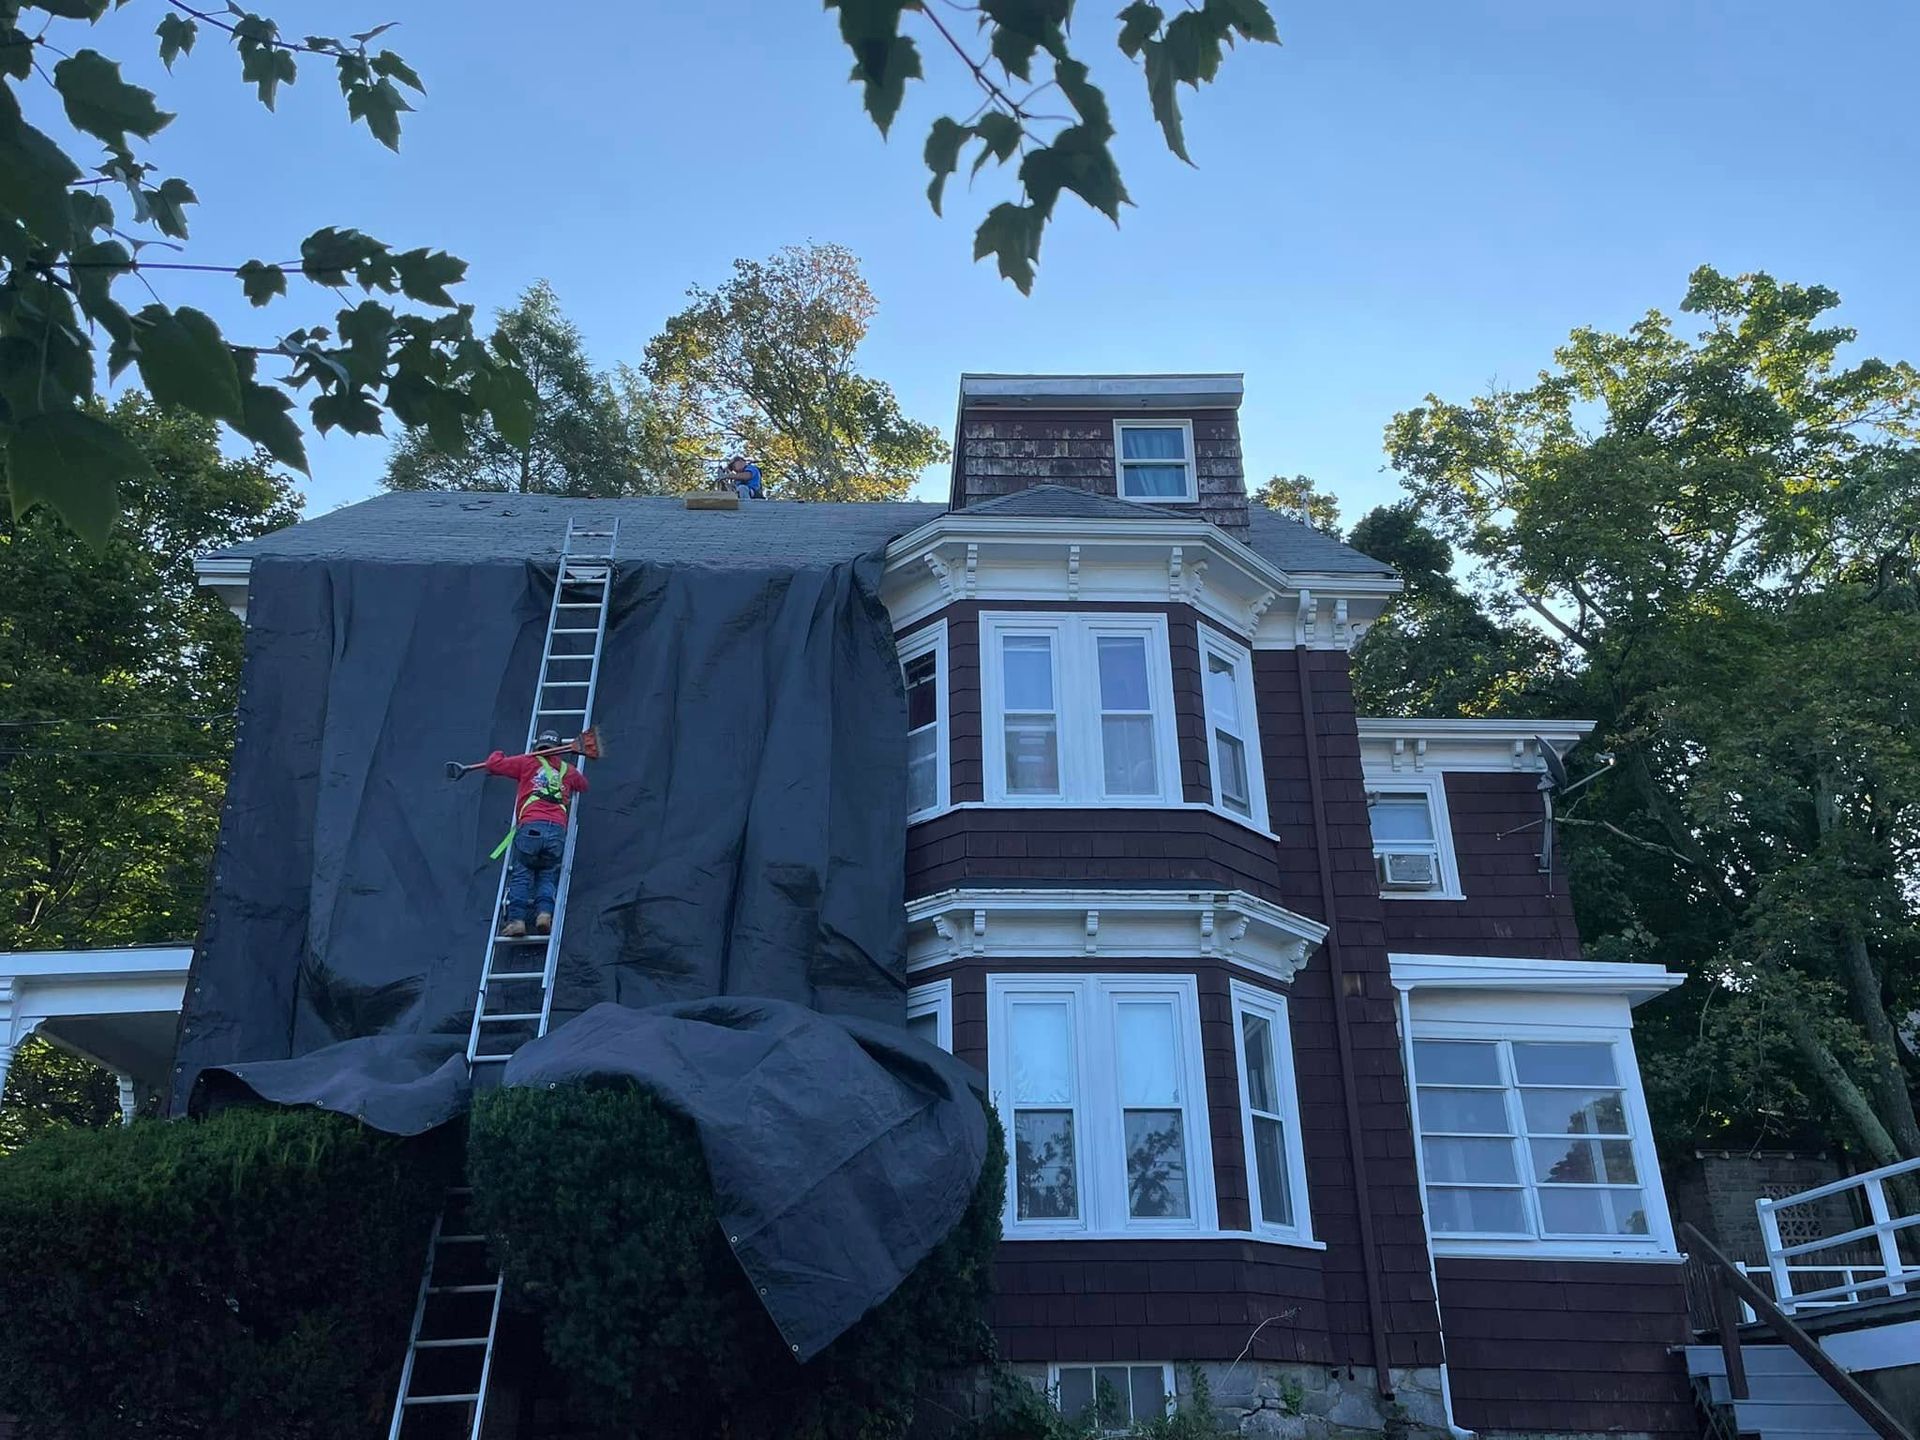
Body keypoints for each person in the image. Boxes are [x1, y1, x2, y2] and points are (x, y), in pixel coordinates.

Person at [483, 730, 589, 937]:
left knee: (522, 873)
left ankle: (517, 921)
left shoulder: (527, 762)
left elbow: (493, 764)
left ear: (538, 746)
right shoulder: (568, 770)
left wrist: (497, 751)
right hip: (557, 830)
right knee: (547, 874)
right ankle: (543, 915)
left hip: (531, 826)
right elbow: (583, 785)